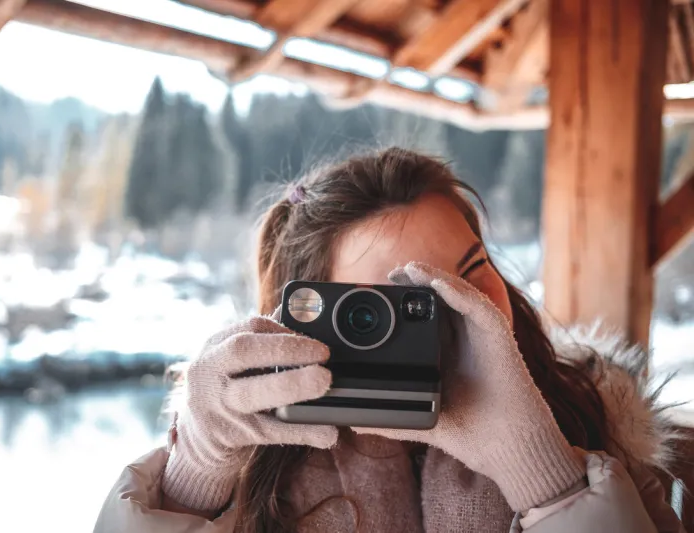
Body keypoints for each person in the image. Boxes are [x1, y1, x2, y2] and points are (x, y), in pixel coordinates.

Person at [93, 148, 684, 533]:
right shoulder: (251, 454)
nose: (459, 310)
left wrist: (549, 477)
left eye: (472, 269)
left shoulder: (599, 426)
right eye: (402, 302)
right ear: (310, 320)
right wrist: (194, 478)